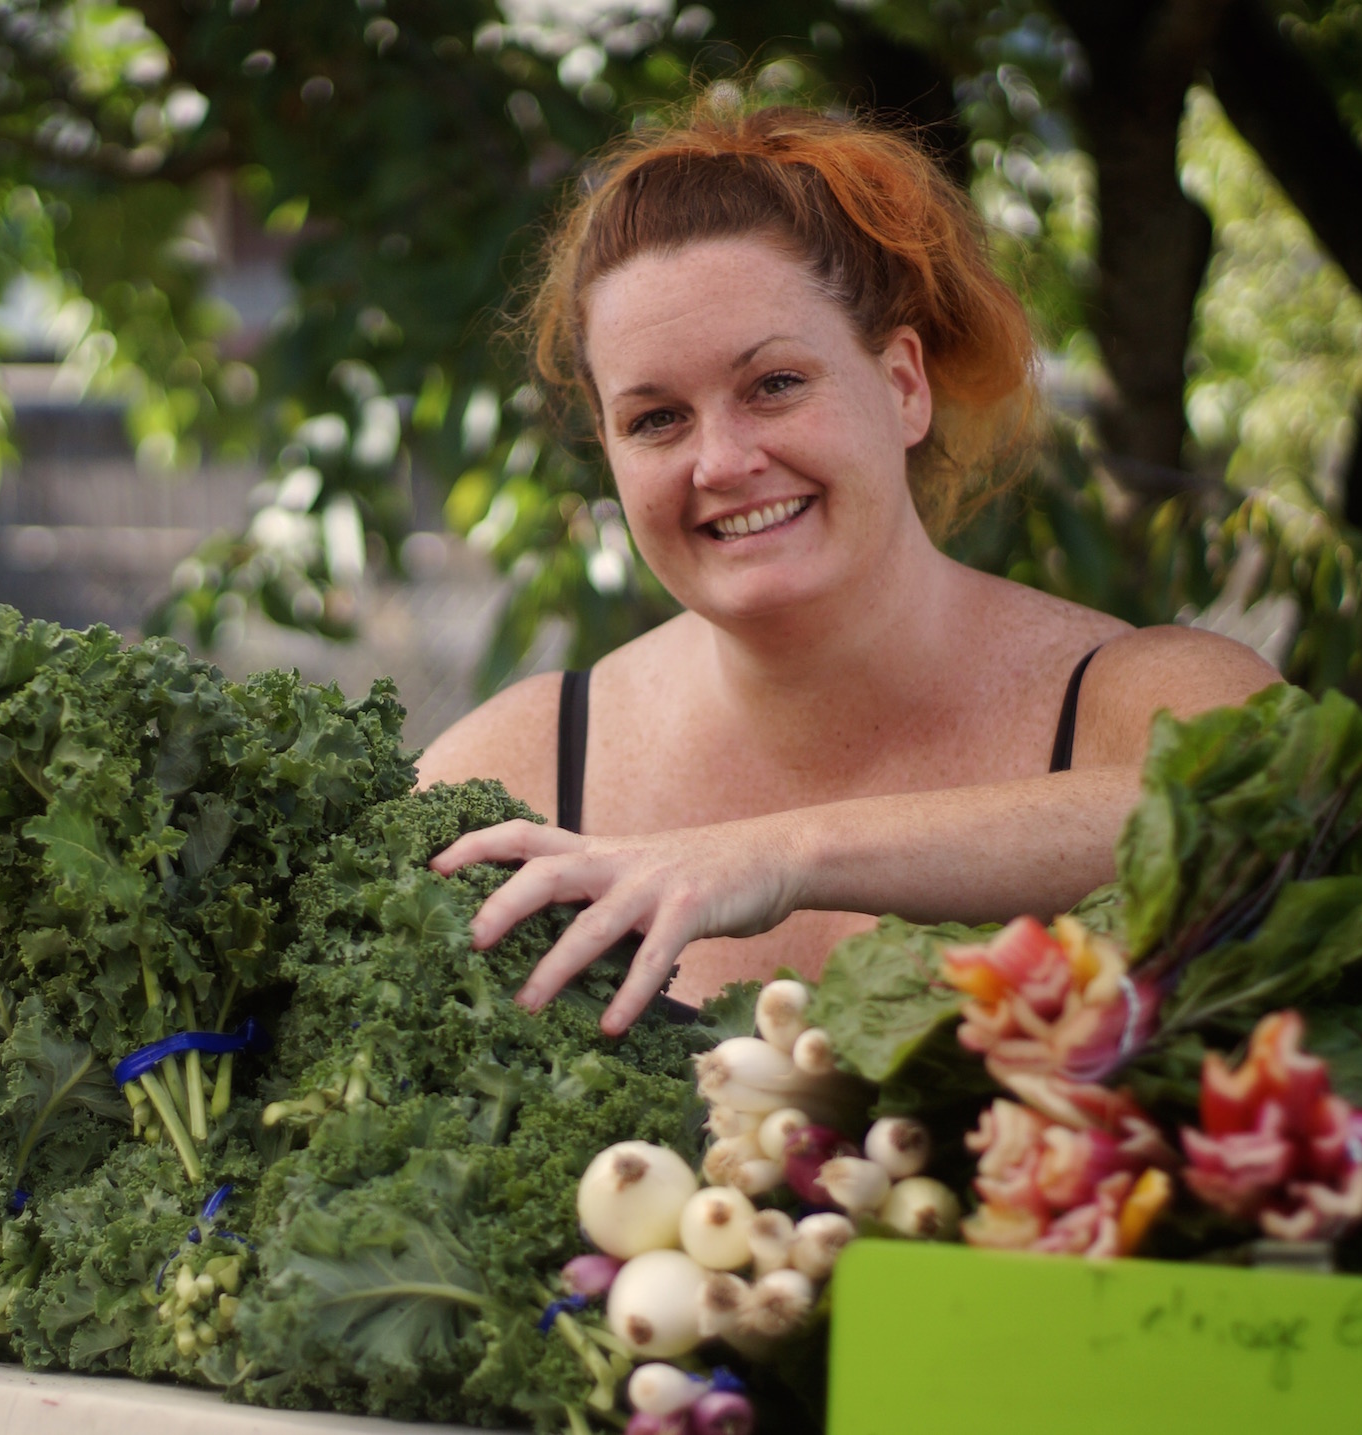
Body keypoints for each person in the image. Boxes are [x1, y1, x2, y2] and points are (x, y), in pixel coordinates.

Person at [416, 103, 1278, 1036]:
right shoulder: (518, 770)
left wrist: (780, 854)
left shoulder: (1131, 699)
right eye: (656, 418)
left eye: (775, 384)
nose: (721, 462)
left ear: (905, 386)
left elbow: (1271, 810)